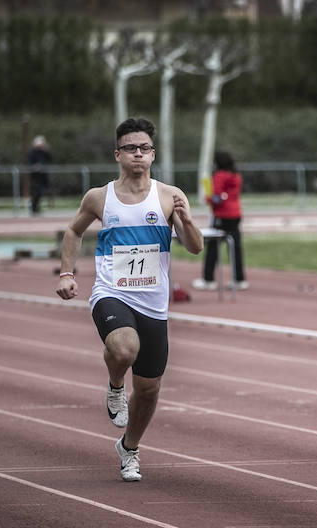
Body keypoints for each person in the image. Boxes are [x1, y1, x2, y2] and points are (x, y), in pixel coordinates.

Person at [55, 118, 203, 481]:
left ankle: (129, 448)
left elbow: (196, 247)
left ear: (153, 154)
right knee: (124, 348)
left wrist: (184, 219)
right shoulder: (99, 197)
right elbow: (74, 231)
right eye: (131, 148)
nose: (138, 154)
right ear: (117, 154)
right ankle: (115, 386)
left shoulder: (169, 195)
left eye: (145, 148)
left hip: (153, 301)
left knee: (150, 389)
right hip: (111, 291)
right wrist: (67, 273)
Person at [193, 151, 247, 291]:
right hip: (236, 213)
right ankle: (239, 279)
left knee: (212, 247)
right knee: (235, 247)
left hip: (222, 215)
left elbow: (217, 198)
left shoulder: (219, 176)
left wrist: (208, 199)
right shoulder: (236, 175)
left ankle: (208, 279)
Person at [28, 136, 53, 215]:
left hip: (43, 176)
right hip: (35, 176)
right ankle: (33, 207)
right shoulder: (32, 153)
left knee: (42, 192)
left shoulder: (44, 152)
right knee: (36, 192)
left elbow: (50, 159)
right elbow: (30, 163)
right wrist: (35, 167)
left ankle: (36, 207)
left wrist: (45, 150)